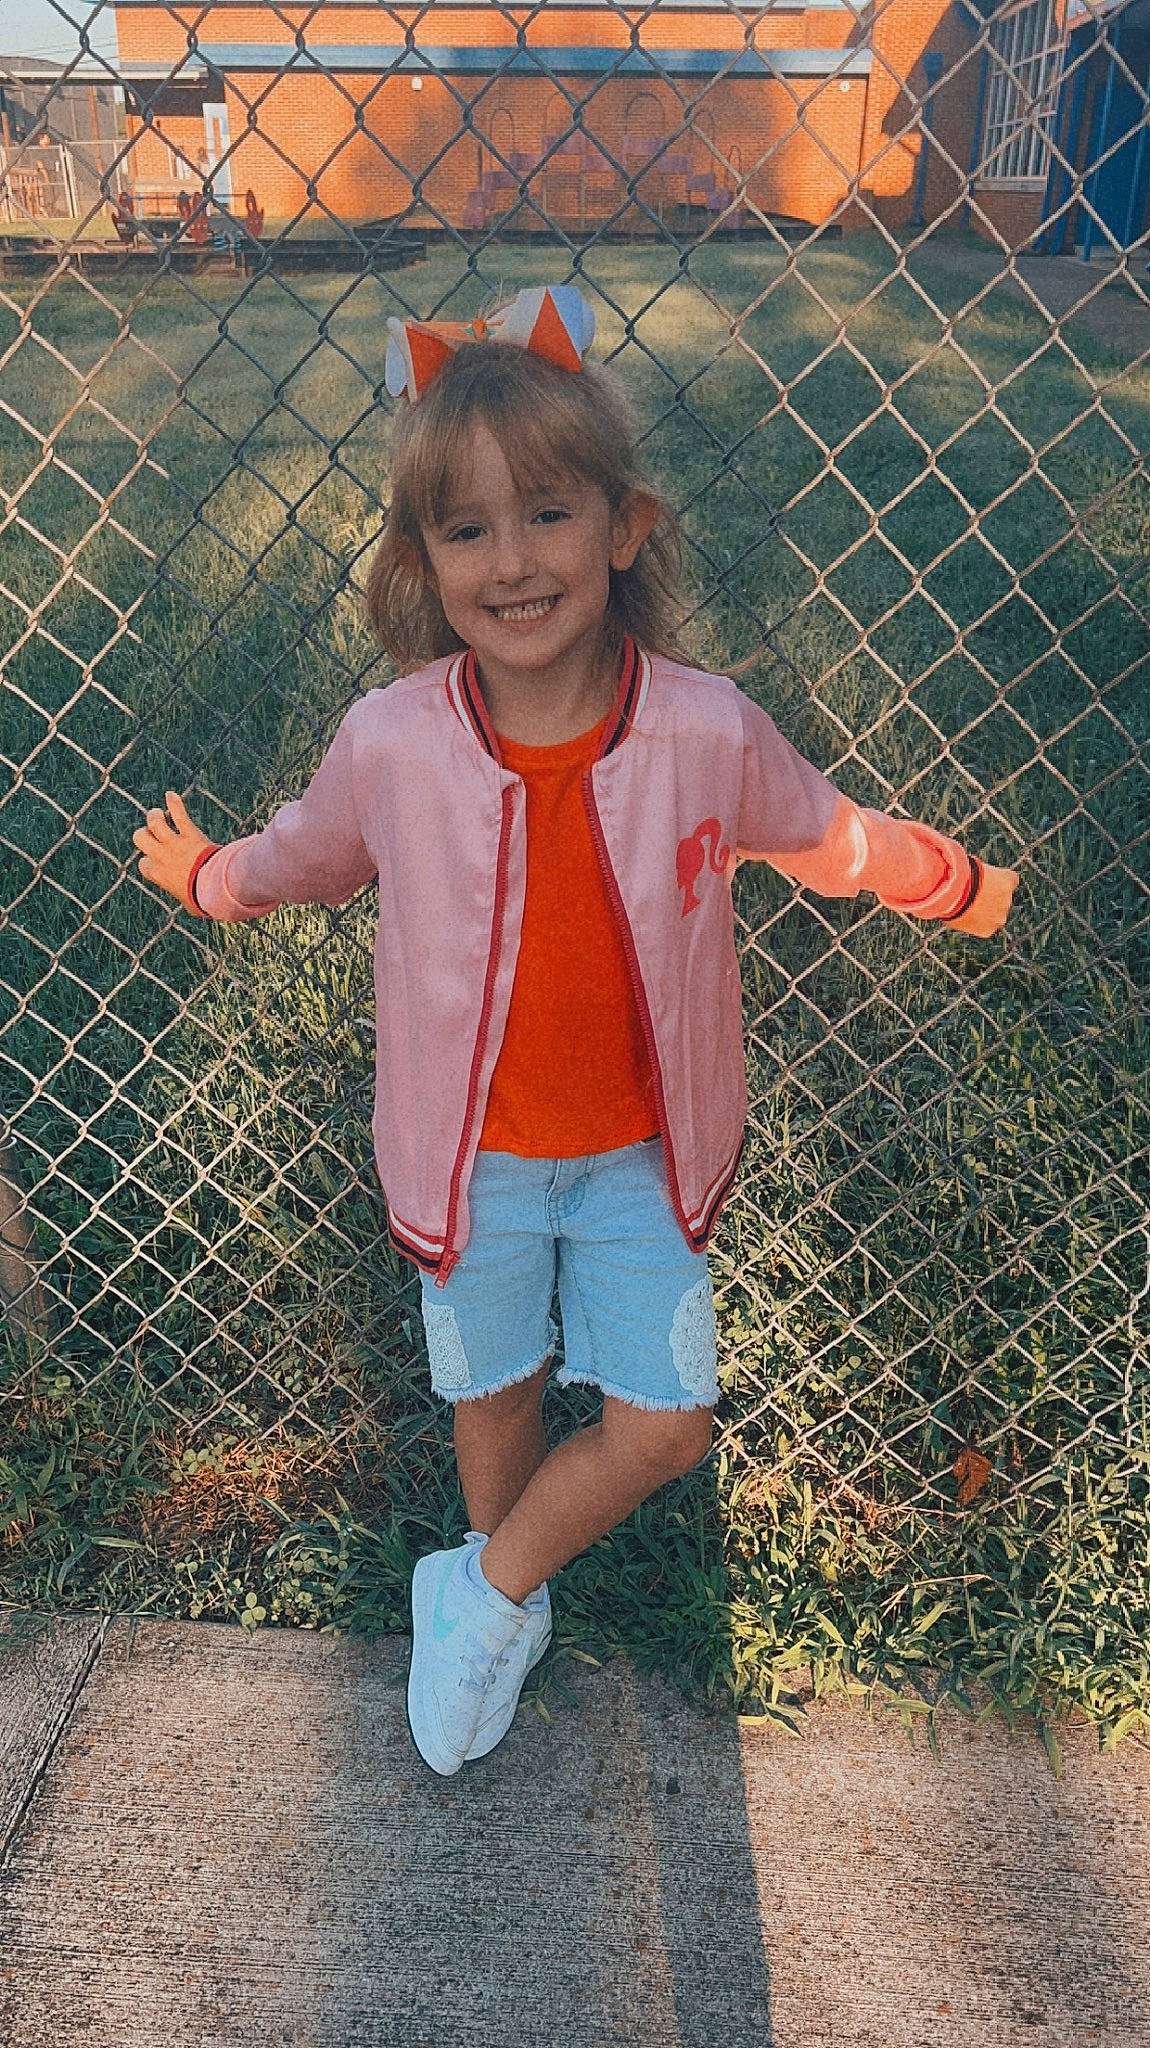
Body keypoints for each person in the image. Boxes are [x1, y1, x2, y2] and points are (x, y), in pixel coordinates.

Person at [132, 283, 1019, 1779]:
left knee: (665, 1420)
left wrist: (954, 885)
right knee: (494, 1396)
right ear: (421, 562)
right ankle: (504, 1596)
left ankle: (475, 1593)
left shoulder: (701, 727)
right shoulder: (393, 740)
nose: (511, 559)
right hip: (465, 1162)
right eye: (464, 530)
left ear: (622, 526)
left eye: (545, 514)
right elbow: (302, 856)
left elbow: (824, 835)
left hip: (636, 1165)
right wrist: (211, 879)